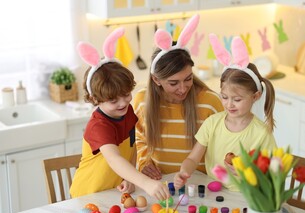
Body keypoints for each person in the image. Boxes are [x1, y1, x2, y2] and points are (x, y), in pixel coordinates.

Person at [70, 27, 169, 201]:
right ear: (95, 99)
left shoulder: (127, 111)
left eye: (125, 95)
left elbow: (131, 147)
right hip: (87, 194)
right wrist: (145, 183)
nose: (123, 103)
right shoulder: (99, 126)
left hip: (112, 193)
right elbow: (114, 158)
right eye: (113, 101)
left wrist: (128, 178)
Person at [174, 35, 277, 191]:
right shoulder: (212, 123)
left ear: (255, 96)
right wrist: (184, 172)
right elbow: (193, 159)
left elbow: (273, 173)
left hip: (246, 196)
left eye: (237, 99)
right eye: (224, 97)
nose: (229, 104)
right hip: (212, 190)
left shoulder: (261, 133)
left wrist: (250, 172)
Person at [133, 14, 224, 180]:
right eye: (173, 83)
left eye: (188, 79)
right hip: (159, 183)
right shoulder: (141, 101)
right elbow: (139, 139)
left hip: (202, 185)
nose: (183, 89)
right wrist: (144, 162)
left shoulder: (210, 102)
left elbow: (225, 144)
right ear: (156, 79)